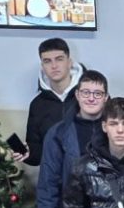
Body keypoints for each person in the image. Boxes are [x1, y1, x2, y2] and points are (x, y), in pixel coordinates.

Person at [37, 70, 110, 208]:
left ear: (106, 98)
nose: (91, 98)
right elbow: (48, 187)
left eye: (97, 93)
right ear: (77, 95)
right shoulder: (58, 133)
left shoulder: (116, 130)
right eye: (86, 92)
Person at [25, 38, 84, 166]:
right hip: (52, 175)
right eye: (47, 61)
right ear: (42, 66)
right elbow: (36, 154)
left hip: (88, 174)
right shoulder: (37, 105)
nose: (54, 66)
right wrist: (28, 153)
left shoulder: (91, 95)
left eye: (59, 59)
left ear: (69, 62)